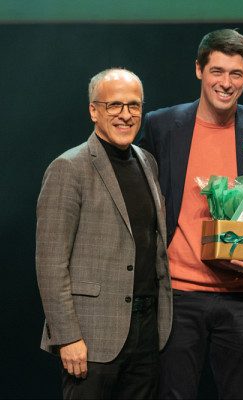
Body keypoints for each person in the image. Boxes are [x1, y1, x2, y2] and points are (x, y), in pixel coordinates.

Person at [139, 29, 243, 399]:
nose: (226, 83)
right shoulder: (161, 126)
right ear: (198, 70)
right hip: (178, 295)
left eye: (236, 74)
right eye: (217, 71)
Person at [36, 68, 172, 399]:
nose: (126, 115)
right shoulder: (69, 168)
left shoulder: (147, 163)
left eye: (134, 105)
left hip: (147, 331)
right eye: (115, 106)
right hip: (92, 338)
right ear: (94, 110)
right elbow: (50, 263)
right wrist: (67, 337)